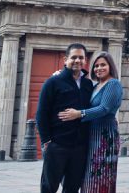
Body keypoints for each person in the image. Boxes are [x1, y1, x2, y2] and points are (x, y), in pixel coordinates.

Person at [58, 51, 123, 193]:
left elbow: (104, 108)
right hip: (91, 135)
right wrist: (62, 78)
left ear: (110, 66)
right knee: (88, 178)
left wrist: (79, 114)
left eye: (103, 65)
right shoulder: (95, 86)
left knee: (101, 177)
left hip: (105, 136)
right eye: (96, 66)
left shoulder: (113, 84)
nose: (99, 68)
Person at [35, 43, 94, 193]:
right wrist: (47, 141)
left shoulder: (88, 84)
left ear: (85, 60)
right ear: (65, 59)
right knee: (49, 187)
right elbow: (42, 113)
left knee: (72, 188)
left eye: (81, 57)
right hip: (57, 145)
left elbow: (95, 108)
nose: (77, 60)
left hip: (80, 147)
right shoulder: (52, 82)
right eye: (73, 57)